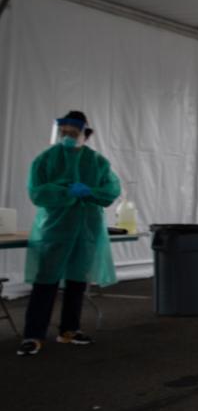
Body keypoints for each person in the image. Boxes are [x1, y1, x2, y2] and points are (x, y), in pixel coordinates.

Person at [17, 111, 121, 357]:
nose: (67, 137)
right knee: (45, 282)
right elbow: (36, 193)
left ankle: (69, 330)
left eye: (73, 133)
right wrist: (63, 191)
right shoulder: (45, 160)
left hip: (85, 229)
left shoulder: (97, 162)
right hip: (55, 229)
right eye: (63, 132)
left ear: (86, 134)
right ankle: (33, 335)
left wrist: (90, 192)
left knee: (77, 281)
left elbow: (110, 191)